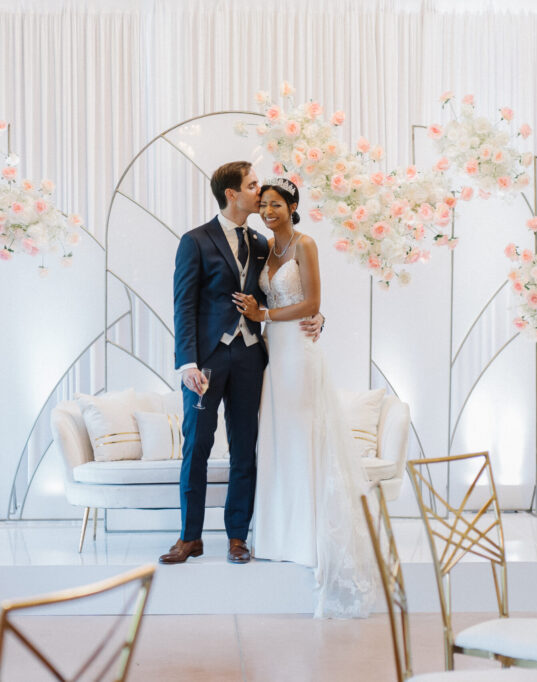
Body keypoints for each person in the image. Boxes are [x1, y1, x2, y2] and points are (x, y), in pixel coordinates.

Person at [162, 162, 321, 565]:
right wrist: (187, 364)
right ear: (232, 193)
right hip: (208, 361)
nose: (259, 192)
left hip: (252, 357)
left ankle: (237, 536)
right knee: (196, 445)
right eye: (252, 186)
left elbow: (283, 292)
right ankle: (189, 537)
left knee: (245, 449)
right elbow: (184, 306)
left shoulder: (261, 242)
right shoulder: (194, 241)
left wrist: (316, 316)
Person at [234, 177, 379, 618]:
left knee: (305, 438)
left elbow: (313, 300)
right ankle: (278, 536)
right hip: (272, 354)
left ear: (293, 205)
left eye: (276, 204)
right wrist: (263, 319)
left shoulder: (305, 245)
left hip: (299, 349)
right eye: (263, 204)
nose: (268, 210)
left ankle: (309, 539)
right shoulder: (263, 248)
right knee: (278, 442)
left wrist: (268, 314)